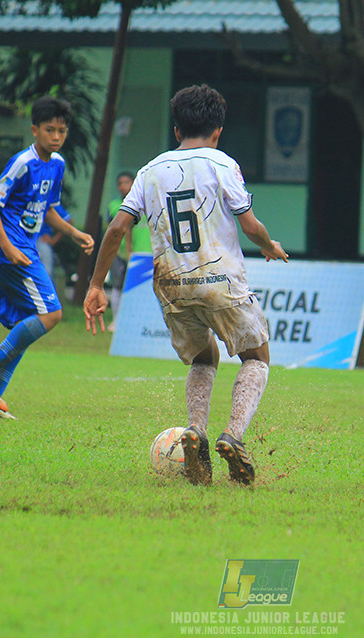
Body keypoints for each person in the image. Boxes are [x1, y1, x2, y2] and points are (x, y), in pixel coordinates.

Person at [84, 84, 289, 486]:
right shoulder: (222, 163)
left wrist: (96, 284)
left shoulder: (149, 170)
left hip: (172, 284)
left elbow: (116, 229)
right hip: (220, 281)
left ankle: (196, 429)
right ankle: (233, 434)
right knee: (256, 357)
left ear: (176, 130)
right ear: (218, 131)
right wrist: (270, 245)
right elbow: (249, 225)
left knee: (202, 359)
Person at [0, 96, 95, 419]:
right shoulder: (23, 162)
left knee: (27, 324)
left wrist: (74, 233)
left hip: (23, 249)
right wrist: (8, 248)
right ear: (35, 130)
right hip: (10, 250)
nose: (56, 136)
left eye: (62, 131)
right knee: (52, 313)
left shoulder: (58, 164)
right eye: (49, 130)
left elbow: (46, 209)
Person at [105, 170, 135, 328]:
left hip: (137, 253)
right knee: (117, 284)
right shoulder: (114, 205)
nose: (123, 186)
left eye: (126, 182)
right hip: (117, 251)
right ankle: (116, 319)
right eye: (120, 184)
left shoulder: (139, 203)